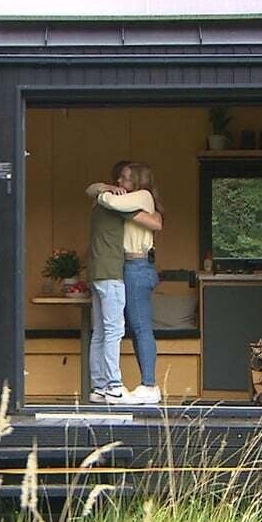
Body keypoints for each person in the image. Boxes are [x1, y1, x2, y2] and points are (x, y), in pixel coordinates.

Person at [84, 162, 163, 405]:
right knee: (113, 329)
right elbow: (94, 191)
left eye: (126, 179)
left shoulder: (141, 196)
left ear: (138, 181)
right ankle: (108, 386)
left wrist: (104, 192)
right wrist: (104, 187)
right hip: (122, 266)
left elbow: (109, 201)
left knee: (136, 327)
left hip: (137, 266)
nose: (121, 183)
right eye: (119, 178)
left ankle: (147, 384)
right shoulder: (127, 201)